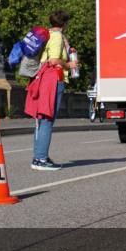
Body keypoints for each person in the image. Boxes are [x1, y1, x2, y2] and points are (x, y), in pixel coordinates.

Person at [30, 10, 78, 171]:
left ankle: (39, 157)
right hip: (53, 79)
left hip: (42, 78)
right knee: (47, 120)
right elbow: (54, 60)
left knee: (41, 119)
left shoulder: (49, 34)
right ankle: (41, 159)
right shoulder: (57, 37)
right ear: (65, 23)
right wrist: (69, 65)